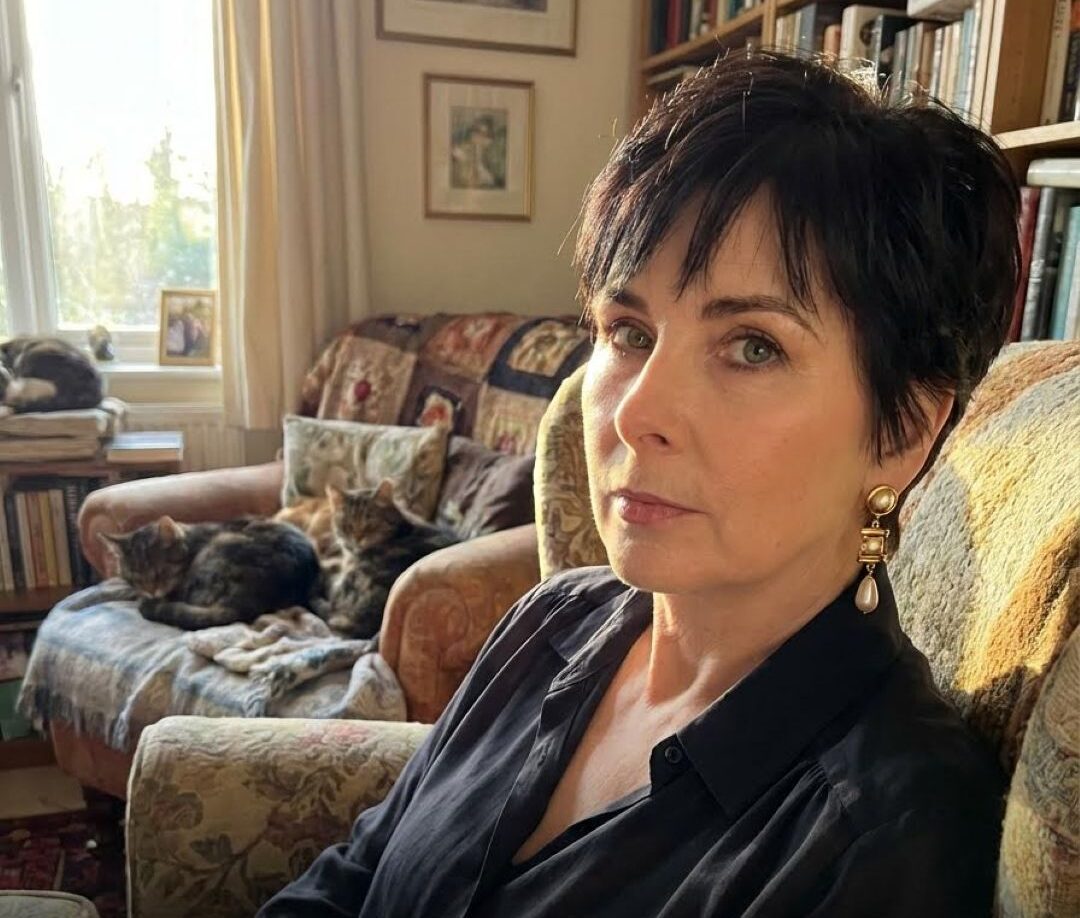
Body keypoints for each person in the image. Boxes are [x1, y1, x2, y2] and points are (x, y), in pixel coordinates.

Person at [260, 50, 1019, 917]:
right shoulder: (550, 622)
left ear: (903, 429)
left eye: (752, 347)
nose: (636, 413)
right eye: (628, 331)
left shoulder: (887, 841)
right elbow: (350, 880)